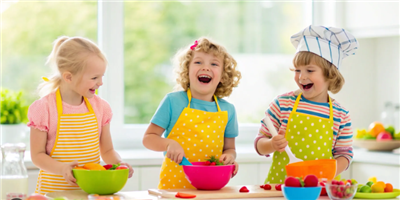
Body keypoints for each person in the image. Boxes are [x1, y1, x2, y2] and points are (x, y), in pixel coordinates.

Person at [28, 36, 133, 194]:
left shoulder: (101, 107)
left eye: (102, 76)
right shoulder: (44, 108)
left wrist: (120, 164)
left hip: (90, 192)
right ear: (68, 77)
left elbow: (107, 150)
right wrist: (62, 168)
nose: (101, 83)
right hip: (54, 193)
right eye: (94, 78)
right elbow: (37, 155)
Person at [254, 25, 359, 184]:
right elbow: (260, 144)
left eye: (310, 70)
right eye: (297, 70)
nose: (302, 77)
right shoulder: (282, 104)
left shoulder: (340, 114)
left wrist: (324, 174)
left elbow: (344, 154)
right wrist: (271, 144)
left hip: (320, 190)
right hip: (280, 190)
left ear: (330, 74)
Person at [143, 37, 242, 189]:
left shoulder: (228, 110)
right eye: (198, 62)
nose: (206, 67)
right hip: (174, 188)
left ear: (222, 76)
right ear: (187, 70)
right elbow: (148, 138)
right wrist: (169, 143)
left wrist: (229, 157)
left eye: (214, 64)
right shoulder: (173, 101)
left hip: (211, 189)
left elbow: (230, 148)